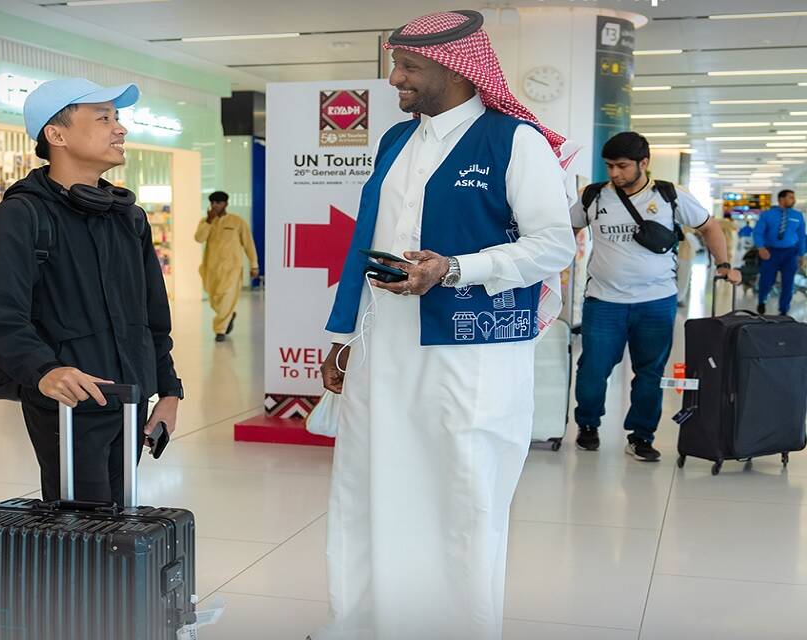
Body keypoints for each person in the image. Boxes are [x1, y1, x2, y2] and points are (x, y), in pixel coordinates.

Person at [315, 10, 576, 640]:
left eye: (408, 67)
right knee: (372, 485)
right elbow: (365, 240)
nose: (395, 79)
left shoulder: (514, 140)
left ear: (457, 70)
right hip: (384, 345)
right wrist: (344, 339)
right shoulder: (395, 141)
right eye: (395, 65)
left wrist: (456, 268)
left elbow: (553, 244)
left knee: (462, 495)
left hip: (470, 353)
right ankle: (368, 621)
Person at [0, 78, 184, 505]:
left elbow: (152, 317)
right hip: (68, 405)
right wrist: (45, 371)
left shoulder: (128, 217)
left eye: (117, 118)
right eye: (104, 118)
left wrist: (168, 390)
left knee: (120, 518)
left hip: (131, 401)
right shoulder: (21, 216)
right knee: (81, 526)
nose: (120, 129)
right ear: (57, 135)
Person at [571, 132, 740, 461]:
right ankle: (588, 424)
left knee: (650, 372)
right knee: (592, 368)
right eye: (609, 166)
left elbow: (709, 227)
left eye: (622, 166)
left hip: (656, 302)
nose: (615, 173)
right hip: (603, 301)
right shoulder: (592, 196)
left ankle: (641, 435)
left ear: (643, 163)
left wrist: (723, 264)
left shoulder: (669, 195)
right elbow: (567, 227)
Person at [194, 191, 259, 342]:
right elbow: (199, 238)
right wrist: (208, 221)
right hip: (211, 269)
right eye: (212, 203)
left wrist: (254, 265)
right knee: (215, 300)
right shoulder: (206, 221)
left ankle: (220, 330)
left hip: (232, 270)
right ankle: (229, 315)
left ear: (226, 204)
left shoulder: (237, 222)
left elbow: (249, 244)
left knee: (226, 299)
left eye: (218, 202)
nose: (214, 205)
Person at [754, 189, 806, 315]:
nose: (794, 200)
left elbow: (801, 236)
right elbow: (758, 232)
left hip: (790, 253)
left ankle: (784, 309)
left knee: (788, 282)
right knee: (766, 280)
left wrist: (802, 254)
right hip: (770, 252)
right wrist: (760, 247)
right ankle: (762, 300)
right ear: (781, 199)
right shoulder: (767, 215)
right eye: (790, 197)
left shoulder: (798, 216)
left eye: (793, 198)